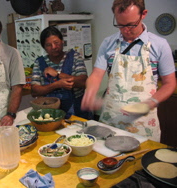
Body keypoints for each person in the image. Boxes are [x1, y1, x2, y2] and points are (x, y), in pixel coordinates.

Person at [81, 0, 176, 142]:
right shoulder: (108, 43)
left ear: (143, 14)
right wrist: (90, 92)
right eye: (120, 24)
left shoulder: (159, 45)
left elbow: (170, 83)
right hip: (111, 119)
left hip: (143, 123)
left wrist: (151, 102)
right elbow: (96, 74)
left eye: (131, 24)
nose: (125, 30)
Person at [31, 26, 90, 119]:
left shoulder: (75, 57)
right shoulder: (39, 62)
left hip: (76, 111)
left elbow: (84, 82)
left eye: (56, 42)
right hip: (49, 114)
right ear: (44, 47)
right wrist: (57, 85)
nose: (54, 47)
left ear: (62, 42)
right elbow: (35, 91)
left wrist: (58, 74)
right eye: (48, 45)